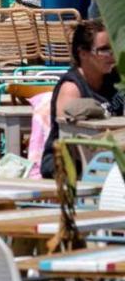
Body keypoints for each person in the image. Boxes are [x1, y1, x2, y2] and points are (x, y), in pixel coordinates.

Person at [40, 19, 123, 177]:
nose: (111, 55)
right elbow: (70, 138)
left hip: (108, 157)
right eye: (104, 50)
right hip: (67, 164)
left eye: (113, 48)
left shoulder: (116, 80)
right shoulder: (71, 88)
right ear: (83, 53)